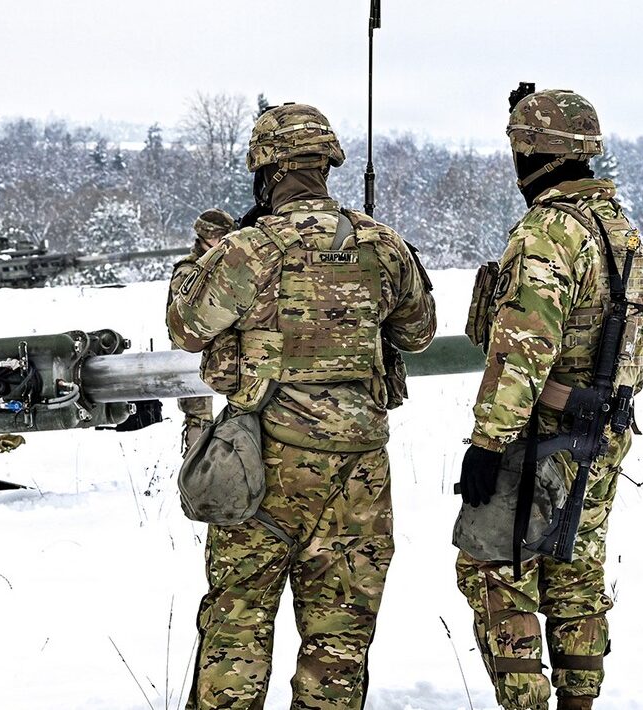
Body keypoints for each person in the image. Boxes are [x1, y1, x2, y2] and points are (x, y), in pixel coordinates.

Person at [168, 102, 436, 709]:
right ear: (326, 164)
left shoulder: (249, 248)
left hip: (264, 462)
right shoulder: (383, 245)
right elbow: (418, 332)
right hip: (359, 471)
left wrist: (195, 261)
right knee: (339, 639)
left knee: (237, 625)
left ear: (267, 170)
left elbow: (187, 326)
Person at [454, 88, 643, 710]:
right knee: (575, 576)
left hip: (545, 438)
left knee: (495, 570)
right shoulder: (620, 230)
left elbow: (524, 349)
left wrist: (488, 443)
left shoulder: (549, 232)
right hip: (603, 434)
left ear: (531, 154)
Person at [169, 209, 234, 454]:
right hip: (191, 352)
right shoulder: (188, 270)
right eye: (222, 236)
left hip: (220, 350)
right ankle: (196, 463)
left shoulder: (221, 263)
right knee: (198, 416)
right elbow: (194, 312)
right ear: (208, 237)